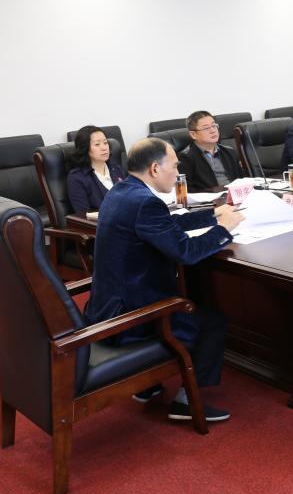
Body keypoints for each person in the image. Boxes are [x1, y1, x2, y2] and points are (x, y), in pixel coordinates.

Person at [84, 138, 245, 422]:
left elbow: (166, 226)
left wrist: (212, 214)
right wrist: (223, 230)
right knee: (212, 321)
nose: (178, 172)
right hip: (131, 317)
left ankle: (147, 386)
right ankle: (187, 400)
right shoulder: (145, 202)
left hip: (105, 306)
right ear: (155, 169)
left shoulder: (122, 191)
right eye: (175, 166)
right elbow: (186, 252)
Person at [178, 111, 245, 192]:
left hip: (235, 194)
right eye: (206, 128)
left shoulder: (229, 152)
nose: (213, 130)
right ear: (193, 134)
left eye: (214, 126)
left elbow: (241, 180)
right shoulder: (185, 158)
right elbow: (187, 190)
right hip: (210, 198)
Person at [67, 125, 125, 214]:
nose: (104, 148)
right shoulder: (77, 178)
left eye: (105, 143)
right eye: (97, 144)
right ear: (85, 148)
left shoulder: (116, 169)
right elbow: (83, 215)